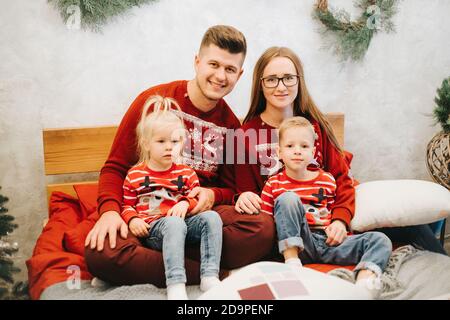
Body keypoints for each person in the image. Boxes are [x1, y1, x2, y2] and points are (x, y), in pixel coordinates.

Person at [84, 25, 276, 287]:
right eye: (213, 64)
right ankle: (216, 274)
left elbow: (231, 189)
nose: (221, 76)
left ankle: (144, 263)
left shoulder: (231, 126)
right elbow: (115, 167)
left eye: (230, 69)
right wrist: (109, 212)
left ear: (239, 74)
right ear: (197, 62)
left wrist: (211, 195)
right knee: (101, 252)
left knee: (263, 229)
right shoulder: (154, 102)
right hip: (143, 216)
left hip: (194, 219)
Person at [234, 46, 447, 256]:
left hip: (326, 227)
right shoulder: (246, 136)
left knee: (410, 223)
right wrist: (242, 197)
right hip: (288, 232)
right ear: (260, 84)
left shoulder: (315, 127)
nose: (281, 87)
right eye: (271, 79)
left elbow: (342, 179)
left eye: (289, 77)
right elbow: (248, 195)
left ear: (299, 81)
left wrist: (340, 220)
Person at [260, 117, 392, 298]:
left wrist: (339, 226)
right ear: (279, 152)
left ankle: (365, 283)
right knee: (287, 199)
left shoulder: (327, 180)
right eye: (290, 146)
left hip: (329, 243)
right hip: (299, 242)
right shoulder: (274, 184)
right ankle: (292, 263)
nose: (297, 151)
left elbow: (333, 209)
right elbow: (265, 222)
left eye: (304, 146)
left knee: (380, 240)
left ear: (313, 152)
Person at [120, 96, 222, 299]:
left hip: (184, 224)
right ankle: (176, 283)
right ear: (146, 144)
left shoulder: (186, 173)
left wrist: (186, 202)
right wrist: (133, 219)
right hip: (155, 230)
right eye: (161, 141)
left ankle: (209, 276)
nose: (169, 147)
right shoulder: (136, 175)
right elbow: (127, 205)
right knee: (174, 224)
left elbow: (195, 196)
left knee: (212, 217)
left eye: (174, 141)